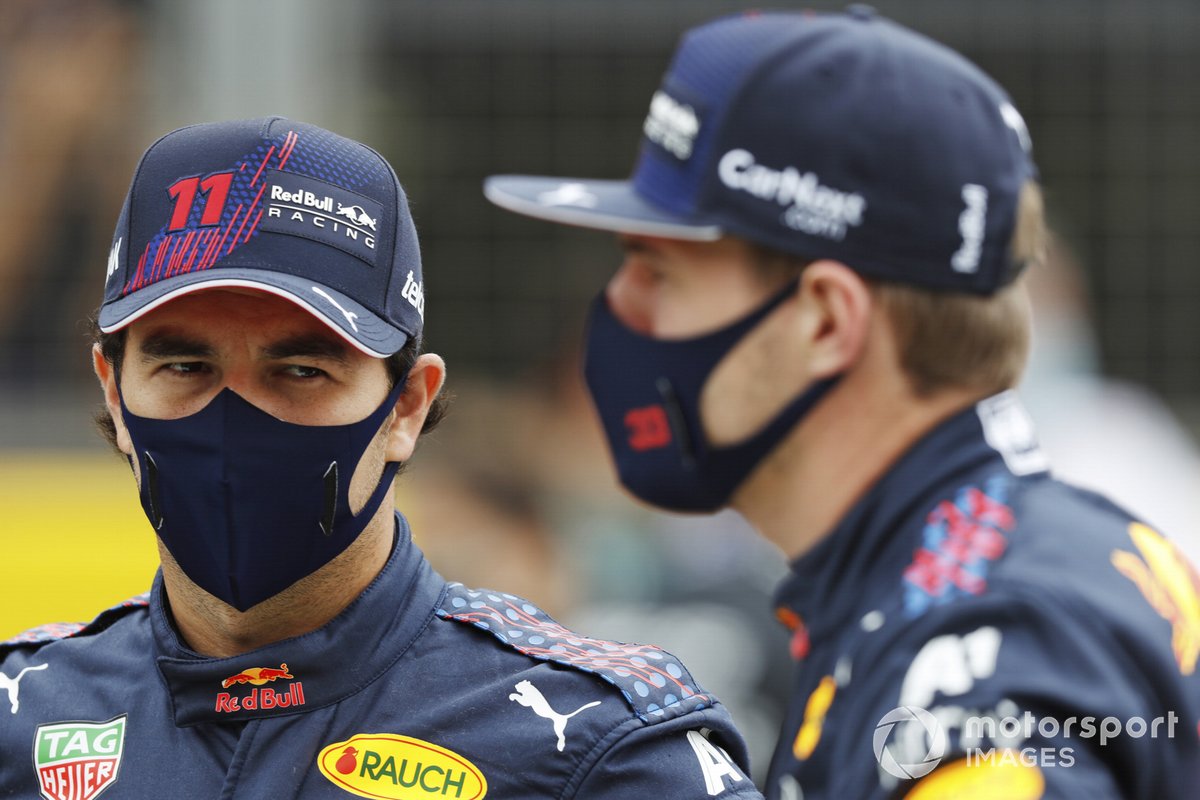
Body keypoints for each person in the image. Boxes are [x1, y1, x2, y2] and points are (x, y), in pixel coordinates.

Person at [484, 8, 1200, 799]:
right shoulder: (939, 578)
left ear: (827, 320)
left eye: (659, 272)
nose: (619, 309)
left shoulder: (984, 644)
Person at [0, 117, 765, 799]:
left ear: (407, 406)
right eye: (184, 367)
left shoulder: (596, 748)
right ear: (115, 389)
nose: (232, 420)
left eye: (300, 371)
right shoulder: (20, 717)